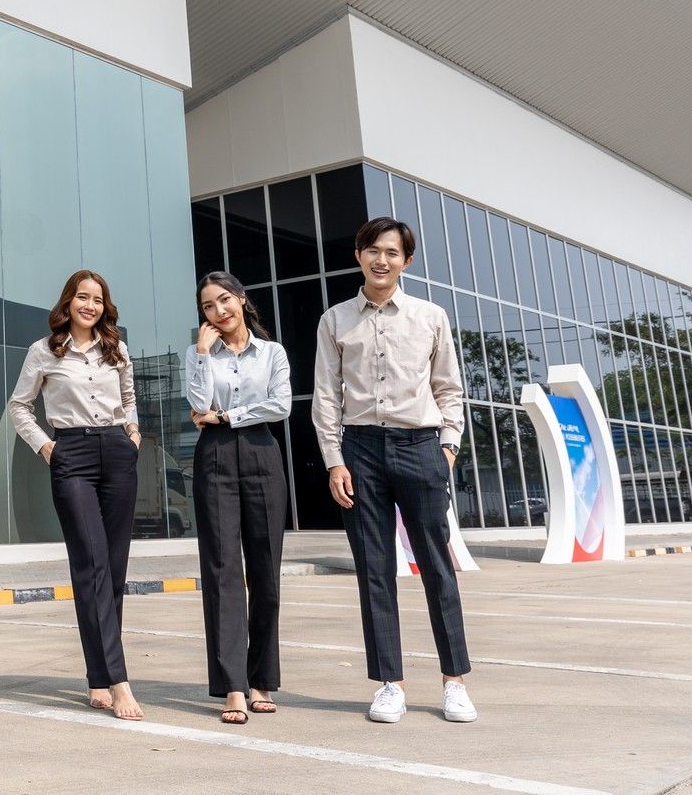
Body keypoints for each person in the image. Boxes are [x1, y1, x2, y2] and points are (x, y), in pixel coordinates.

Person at [314, 216, 476, 725]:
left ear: (406, 261)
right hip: (360, 450)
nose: (380, 260)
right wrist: (335, 460)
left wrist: (447, 447)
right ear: (358, 256)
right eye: (372, 250)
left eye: (391, 252)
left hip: (420, 445)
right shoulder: (335, 320)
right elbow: (326, 397)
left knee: (437, 565)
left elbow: (449, 388)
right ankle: (390, 684)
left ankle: (454, 682)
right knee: (374, 569)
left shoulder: (430, 316)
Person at [8, 270, 143, 719]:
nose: (90, 305)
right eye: (82, 297)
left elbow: (129, 398)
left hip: (117, 453)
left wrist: (133, 433)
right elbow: (19, 406)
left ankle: (98, 677)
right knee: (91, 565)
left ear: (105, 307)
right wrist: (46, 447)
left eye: (97, 299)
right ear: (68, 302)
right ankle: (119, 682)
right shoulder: (44, 351)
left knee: (113, 570)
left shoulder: (116, 349)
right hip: (73, 456)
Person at [185, 272, 291, 723]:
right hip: (214, 458)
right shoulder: (199, 353)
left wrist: (227, 415)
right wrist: (202, 353)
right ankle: (232, 685)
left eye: (224, 300)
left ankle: (261, 678)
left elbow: (280, 405)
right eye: (208, 306)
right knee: (222, 572)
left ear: (242, 299)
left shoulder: (272, 353)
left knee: (265, 572)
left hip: (262, 454)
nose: (219, 311)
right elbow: (197, 403)